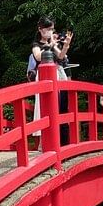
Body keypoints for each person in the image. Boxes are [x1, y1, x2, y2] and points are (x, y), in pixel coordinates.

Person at [30, 16, 73, 145]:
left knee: (61, 106)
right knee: (44, 107)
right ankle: (45, 141)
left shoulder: (53, 43)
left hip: (58, 74)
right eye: (48, 29)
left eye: (52, 29)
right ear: (40, 29)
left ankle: (62, 141)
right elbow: (38, 57)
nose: (50, 31)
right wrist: (50, 45)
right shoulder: (36, 44)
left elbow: (61, 56)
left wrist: (66, 45)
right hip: (44, 76)